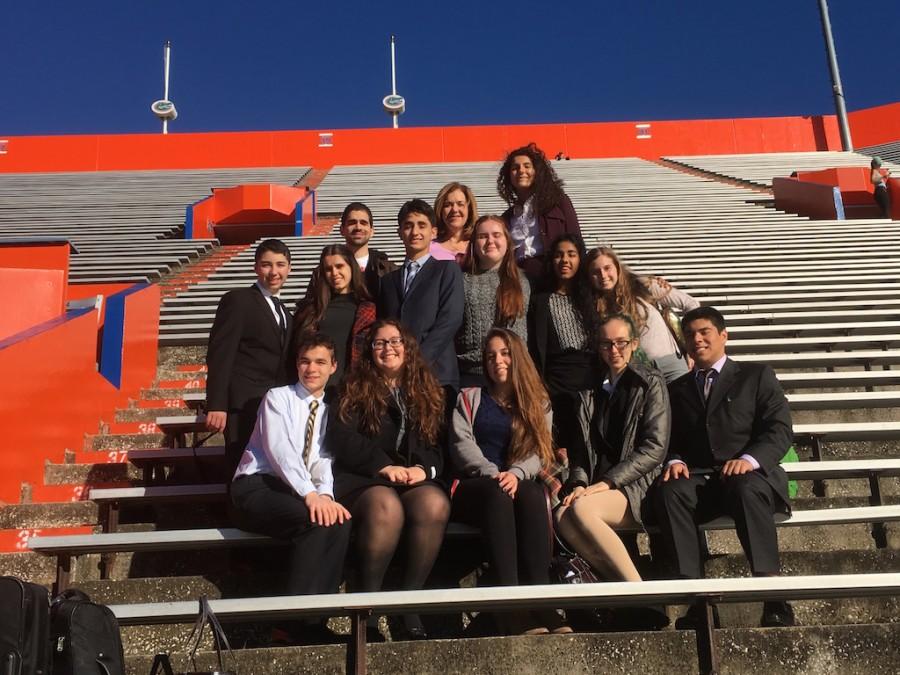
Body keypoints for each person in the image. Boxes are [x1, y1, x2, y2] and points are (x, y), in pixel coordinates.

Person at [651, 306, 795, 629]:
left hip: (750, 476)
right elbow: (667, 437)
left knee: (746, 487)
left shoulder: (756, 376)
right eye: (689, 334)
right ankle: (697, 603)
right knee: (670, 492)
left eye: (704, 332)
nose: (696, 339)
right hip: (701, 480)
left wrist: (749, 460)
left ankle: (774, 598)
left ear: (723, 336)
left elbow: (780, 429)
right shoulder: (677, 389)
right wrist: (673, 460)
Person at [327, 319, 451, 641]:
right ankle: (367, 608)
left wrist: (424, 470)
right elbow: (341, 438)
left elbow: (437, 446)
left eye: (395, 341)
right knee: (387, 506)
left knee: (434, 504)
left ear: (407, 348)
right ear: (370, 351)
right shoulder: (352, 387)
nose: (388, 348)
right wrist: (381, 465)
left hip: (408, 478)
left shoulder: (426, 390)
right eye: (380, 343)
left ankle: (408, 603)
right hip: (362, 478)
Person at [231, 333, 352, 645]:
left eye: (320, 362)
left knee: (338, 521)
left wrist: (325, 495)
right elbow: (279, 450)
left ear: (333, 367)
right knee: (313, 522)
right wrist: (309, 495)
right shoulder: (277, 398)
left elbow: (323, 458)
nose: (311, 368)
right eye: (305, 361)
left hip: (296, 490)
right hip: (256, 485)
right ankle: (289, 623)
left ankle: (315, 621)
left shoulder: (328, 410)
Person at [449, 328, 571, 635]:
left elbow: (540, 450)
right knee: (498, 494)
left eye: (504, 353)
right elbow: (461, 445)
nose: (497, 361)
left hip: (517, 481)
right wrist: (494, 474)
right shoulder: (469, 398)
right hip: (475, 485)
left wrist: (515, 473)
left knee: (531, 494)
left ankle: (542, 602)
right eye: (490, 356)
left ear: (517, 357)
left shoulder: (537, 402)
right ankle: (510, 608)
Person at [556, 314, 668, 586]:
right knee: (562, 515)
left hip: (639, 484)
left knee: (582, 511)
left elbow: (655, 447)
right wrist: (579, 483)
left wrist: (606, 483)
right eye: (606, 344)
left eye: (621, 342)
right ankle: (619, 586)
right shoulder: (590, 391)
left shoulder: (649, 381)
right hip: (599, 487)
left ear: (634, 344)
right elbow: (581, 450)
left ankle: (637, 591)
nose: (614, 350)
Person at [206, 238, 293, 474]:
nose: (274, 271)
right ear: (256, 267)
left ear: (289, 268)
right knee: (240, 469)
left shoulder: (285, 311)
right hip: (242, 406)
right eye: (266, 265)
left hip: (273, 405)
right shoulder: (238, 300)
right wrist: (217, 404)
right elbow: (220, 353)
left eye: (280, 264)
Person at [378, 198, 465, 391]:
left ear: (433, 232)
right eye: (408, 226)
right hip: (396, 378)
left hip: (437, 375)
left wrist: (417, 360)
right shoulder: (388, 281)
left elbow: (450, 319)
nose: (415, 232)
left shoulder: (447, 270)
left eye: (422, 225)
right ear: (400, 232)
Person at [588, 246, 699, 383]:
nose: (603, 276)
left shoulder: (644, 284)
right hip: (636, 373)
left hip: (671, 365)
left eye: (607, 268)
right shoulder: (592, 305)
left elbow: (691, 304)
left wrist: (691, 347)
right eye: (595, 272)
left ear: (617, 267)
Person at [528, 234, 597, 451]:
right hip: (556, 383)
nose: (564, 260)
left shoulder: (593, 297)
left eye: (571, 254)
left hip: (591, 379)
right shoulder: (540, 300)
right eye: (558, 255)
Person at [457, 215, 530, 388]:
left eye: (497, 235)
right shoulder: (460, 281)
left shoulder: (522, 281)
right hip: (472, 376)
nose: (490, 241)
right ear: (474, 244)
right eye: (483, 236)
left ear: (507, 241)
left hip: (513, 374)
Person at [292, 244, 376, 387]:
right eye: (328, 269)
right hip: (315, 388)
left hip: (355, 388)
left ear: (351, 266)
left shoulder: (368, 308)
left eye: (339, 266)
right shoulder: (311, 309)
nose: (334, 273)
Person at [497, 143, 581, 281]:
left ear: (537, 171)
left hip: (552, 277)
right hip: (518, 281)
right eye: (515, 168)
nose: (521, 171)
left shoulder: (558, 201)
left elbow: (576, 240)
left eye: (527, 166)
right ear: (509, 176)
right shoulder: (506, 217)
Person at [305, 202, 396, 300]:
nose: (358, 227)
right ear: (342, 230)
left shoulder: (388, 270)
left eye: (363, 223)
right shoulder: (322, 273)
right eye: (352, 222)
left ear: (372, 231)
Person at [430, 182, 478, 264]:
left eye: (460, 204)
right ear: (440, 210)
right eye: (448, 205)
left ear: (469, 209)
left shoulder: (478, 245)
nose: (455, 210)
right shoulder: (429, 248)